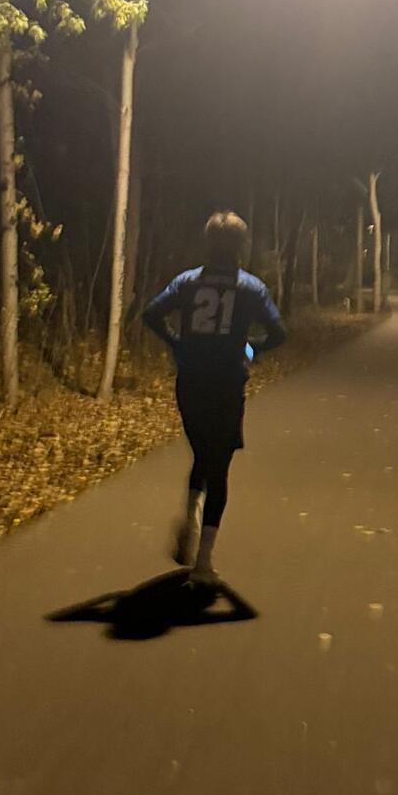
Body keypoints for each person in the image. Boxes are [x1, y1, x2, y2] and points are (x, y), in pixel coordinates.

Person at [143, 211, 286, 585]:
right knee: (218, 465)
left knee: (202, 453)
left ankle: (191, 514)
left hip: (191, 381)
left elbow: (151, 313)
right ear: (241, 246)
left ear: (207, 243)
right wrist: (249, 348)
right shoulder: (251, 288)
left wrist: (177, 343)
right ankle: (203, 563)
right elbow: (278, 334)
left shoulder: (187, 281)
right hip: (226, 384)